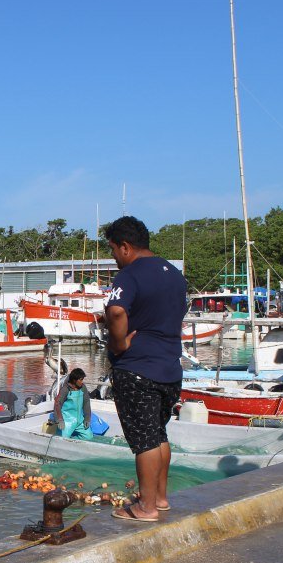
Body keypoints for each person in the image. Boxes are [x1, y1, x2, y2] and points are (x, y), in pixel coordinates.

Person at [102, 216, 188, 522]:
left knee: (145, 441)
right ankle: (160, 499)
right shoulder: (175, 275)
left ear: (125, 247)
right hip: (170, 368)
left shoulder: (130, 274)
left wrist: (118, 344)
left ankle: (146, 507)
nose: (114, 258)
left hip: (138, 368)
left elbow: (115, 311)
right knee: (159, 434)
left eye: (113, 250)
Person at [52, 368, 93, 440]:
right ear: (74, 380)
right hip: (67, 422)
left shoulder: (83, 388)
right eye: (80, 380)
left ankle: (73, 442)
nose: (82, 382)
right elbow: (57, 404)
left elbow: (86, 403)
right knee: (62, 439)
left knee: (89, 437)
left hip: (79, 421)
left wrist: (87, 419)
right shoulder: (65, 389)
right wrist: (59, 420)